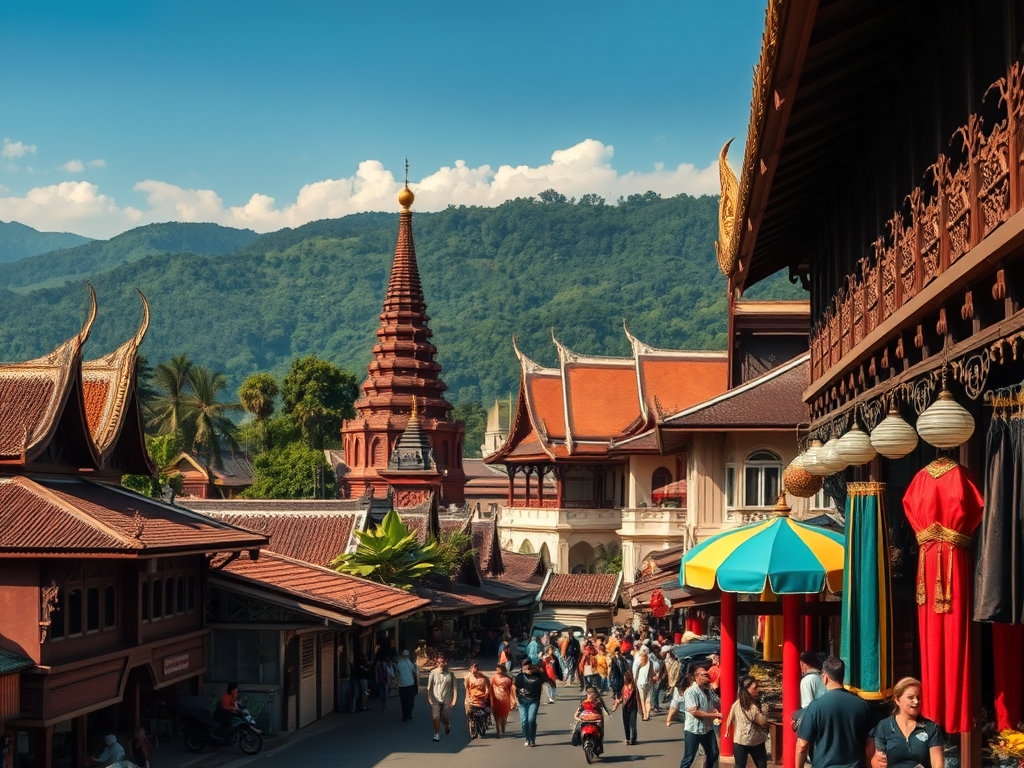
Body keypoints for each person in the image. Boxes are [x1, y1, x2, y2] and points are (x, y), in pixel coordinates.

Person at [796, 657, 873, 768]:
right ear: (842, 677)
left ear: (825, 677)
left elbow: (802, 745)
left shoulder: (816, 707)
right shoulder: (862, 705)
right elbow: (869, 743)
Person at [870, 677, 945, 768]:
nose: (916, 702)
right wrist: (877, 761)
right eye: (911, 698)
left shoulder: (931, 727)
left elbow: (937, 763)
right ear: (897, 700)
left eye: (919, 698)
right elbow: (877, 760)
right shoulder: (884, 726)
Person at [679, 661, 721, 768]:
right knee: (689, 758)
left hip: (707, 729)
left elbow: (717, 703)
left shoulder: (708, 691)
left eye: (708, 675)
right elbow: (694, 712)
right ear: (698, 677)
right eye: (705, 675)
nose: (708, 677)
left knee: (713, 754)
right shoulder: (691, 692)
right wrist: (713, 715)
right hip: (693, 730)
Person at [726, 676, 770, 768]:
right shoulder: (751, 706)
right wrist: (764, 712)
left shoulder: (737, 703)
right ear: (747, 689)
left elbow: (730, 718)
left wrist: (727, 731)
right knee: (761, 765)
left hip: (740, 740)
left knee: (739, 765)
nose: (757, 690)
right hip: (755, 740)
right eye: (754, 688)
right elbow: (762, 721)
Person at [514, 659, 546, 747]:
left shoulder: (538, 676)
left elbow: (544, 682)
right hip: (522, 701)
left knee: (531, 719)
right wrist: (515, 700)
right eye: (525, 666)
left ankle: (532, 739)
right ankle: (527, 739)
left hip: (534, 700)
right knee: (524, 721)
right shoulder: (520, 677)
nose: (527, 668)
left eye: (528, 666)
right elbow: (514, 688)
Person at [427, 657, 458, 743]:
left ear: (446, 663)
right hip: (436, 698)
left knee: (445, 717)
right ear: (437, 663)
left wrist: (454, 699)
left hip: (447, 699)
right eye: (439, 662)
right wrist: (429, 697)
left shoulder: (450, 674)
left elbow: (455, 688)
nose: (441, 664)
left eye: (443, 662)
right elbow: (429, 687)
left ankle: (447, 725)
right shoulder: (433, 673)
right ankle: (437, 733)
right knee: (435, 716)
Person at [574, 685, 611, 752]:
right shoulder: (585, 701)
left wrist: (577, 717)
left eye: (591, 692)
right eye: (589, 692)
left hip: (594, 719)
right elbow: (578, 711)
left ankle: (598, 745)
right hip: (592, 719)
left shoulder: (595, 701)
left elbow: (577, 713)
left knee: (600, 733)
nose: (590, 694)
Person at [613, 669, 641, 745]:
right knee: (626, 723)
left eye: (625, 677)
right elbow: (623, 697)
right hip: (626, 707)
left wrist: (617, 703)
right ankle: (628, 738)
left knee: (632, 723)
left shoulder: (633, 687)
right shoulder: (624, 687)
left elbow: (627, 697)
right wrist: (617, 704)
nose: (624, 678)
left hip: (632, 707)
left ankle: (632, 738)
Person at [464, 661, 491, 737]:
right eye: (471, 668)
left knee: (485, 712)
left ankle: (485, 721)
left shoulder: (484, 679)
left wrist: (485, 697)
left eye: (474, 668)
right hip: (472, 699)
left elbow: (487, 690)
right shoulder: (468, 679)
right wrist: (468, 699)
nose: (472, 670)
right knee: (469, 713)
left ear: (477, 669)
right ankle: (472, 728)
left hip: (482, 699)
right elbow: (467, 689)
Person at [490, 664, 517, 738]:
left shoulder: (508, 679)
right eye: (497, 670)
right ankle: (499, 731)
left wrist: (513, 700)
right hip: (496, 699)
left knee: (503, 716)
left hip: (505, 699)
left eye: (499, 670)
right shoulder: (494, 678)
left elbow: (512, 690)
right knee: (497, 716)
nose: (497, 671)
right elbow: (491, 688)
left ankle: (502, 730)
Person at [632, 646, 657, 721]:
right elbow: (655, 671)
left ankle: (645, 715)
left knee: (643, 700)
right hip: (647, 683)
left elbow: (635, 672)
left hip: (641, 683)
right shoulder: (651, 662)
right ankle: (647, 714)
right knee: (647, 700)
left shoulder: (638, 662)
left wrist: (634, 681)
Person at [396, 649, 419, 721]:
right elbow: (415, 673)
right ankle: (408, 714)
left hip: (402, 685)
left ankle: (405, 715)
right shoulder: (411, 664)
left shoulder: (399, 664)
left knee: (403, 701)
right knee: (410, 701)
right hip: (410, 684)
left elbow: (397, 673)